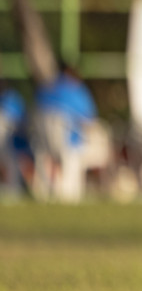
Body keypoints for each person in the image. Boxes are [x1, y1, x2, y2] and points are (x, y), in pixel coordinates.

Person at [33, 66, 97, 203]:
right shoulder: (76, 92)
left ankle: (43, 192)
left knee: (45, 155)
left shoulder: (45, 90)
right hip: (67, 142)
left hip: (44, 143)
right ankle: (70, 196)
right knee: (76, 153)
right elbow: (89, 120)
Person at [0, 82, 26, 197]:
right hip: (8, 144)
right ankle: (13, 189)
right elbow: (21, 125)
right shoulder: (13, 100)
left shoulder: (10, 99)